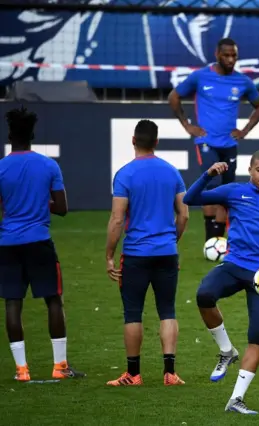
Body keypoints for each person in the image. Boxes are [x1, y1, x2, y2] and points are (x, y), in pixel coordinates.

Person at [184, 150, 259, 415]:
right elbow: (190, 198)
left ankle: (236, 399)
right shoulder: (233, 191)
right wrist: (208, 174)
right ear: (251, 169)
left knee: (257, 336)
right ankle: (226, 350)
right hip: (234, 266)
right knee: (204, 295)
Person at [0, 106, 84, 381]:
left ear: (10, 134)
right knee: (53, 301)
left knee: (13, 303)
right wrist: (39, 203)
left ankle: (21, 370)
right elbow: (61, 207)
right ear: (33, 135)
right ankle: (60, 367)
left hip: (8, 243)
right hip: (39, 242)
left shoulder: (1, 168)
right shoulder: (49, 165)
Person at [105, 119, 190, 386]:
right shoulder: (171, 172)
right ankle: (170, 373)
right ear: (156, 142)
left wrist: (109, 254)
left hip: (136, 254)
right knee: (168, 310)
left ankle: (133, 374)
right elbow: (184, 214)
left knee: (133, 313)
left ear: (133, 140)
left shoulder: (125, 174)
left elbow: (117, 220)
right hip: (166, 252)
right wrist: (171, 241)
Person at [169, 37, 259, 243]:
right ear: (217, 55)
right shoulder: (201, 77)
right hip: (206, 142)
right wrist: (187, 125)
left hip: (229, 144)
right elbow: (174, 97)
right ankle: (209, 239)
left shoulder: (242, 81)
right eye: (227, 55)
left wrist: (244, 130)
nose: (231, 59)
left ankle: (218, 241)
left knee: (227, 190)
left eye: (234, 56)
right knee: (211, 186)